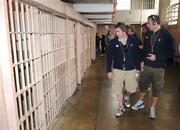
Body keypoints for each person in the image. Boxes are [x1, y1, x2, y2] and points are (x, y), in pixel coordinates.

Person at [131, 15, 176, 119]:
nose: (147, 25)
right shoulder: (147, 34)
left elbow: (172, 52)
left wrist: (157, 57)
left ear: (155, 23)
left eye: (149, 23)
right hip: (146, 66)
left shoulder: (166, 35)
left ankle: (152, 108)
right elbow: (145, 49)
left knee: (156, 88)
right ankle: (140, 101)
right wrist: (142, 60)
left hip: (159, 67)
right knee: (143, 85)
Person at [107, 22, 141, 117]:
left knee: (132, 88)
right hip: (118, 69)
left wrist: (138, 68)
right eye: (115, 32)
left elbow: (137, 55)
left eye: (118, 31)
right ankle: (120, 107)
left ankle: (127, 96)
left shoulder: (133, 40)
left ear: (124, 30)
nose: (116, 33)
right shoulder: (113, 42)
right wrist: (108, 70)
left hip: (131, 68)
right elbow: (109, 57)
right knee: (118, 89)